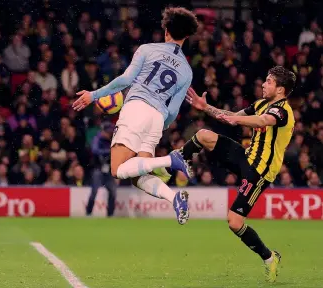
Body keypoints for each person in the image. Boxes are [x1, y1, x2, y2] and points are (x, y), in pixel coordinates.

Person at [159, 66, 295, 282]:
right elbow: (231, 116)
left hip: (258, 173)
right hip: (245, 158)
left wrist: (237, 121)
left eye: (269, 81)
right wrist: (206, 107)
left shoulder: (283, 111)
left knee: (234, 222)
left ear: (280, 89)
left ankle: (270, 257)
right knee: (203, 135)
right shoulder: (260, 104)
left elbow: (262, 121)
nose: (263, 84)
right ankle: (172, 166)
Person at [73, 7, 199, 224]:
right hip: (157, 118)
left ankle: (171, 159)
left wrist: (94, 95)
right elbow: (173, 112)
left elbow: (125, 80)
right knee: (138, 175)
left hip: (136, 107)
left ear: (166, 30)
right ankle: (174, 197)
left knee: (117, 170)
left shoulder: (147, 49)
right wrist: (161, 123)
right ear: (186, 36)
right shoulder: (187, 71)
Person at [86, 122, 117, 217]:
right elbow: (94, 150)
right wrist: (109, 151)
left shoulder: (113, 139)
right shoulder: (98, 139)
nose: (109, 134)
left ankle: (110, 215)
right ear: (103, 131)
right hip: (98, 169)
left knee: (112, 192)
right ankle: (88, 213)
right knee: (94, 191)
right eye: (108, 132)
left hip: (108, 170)